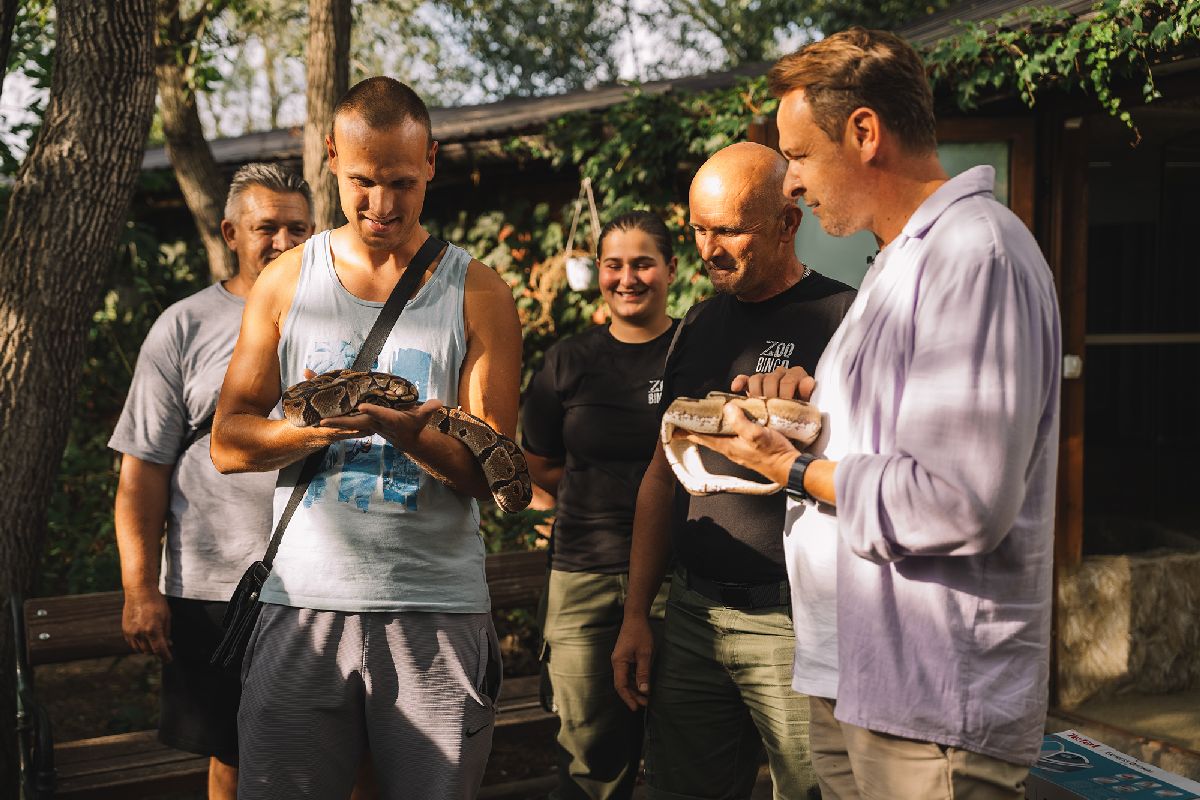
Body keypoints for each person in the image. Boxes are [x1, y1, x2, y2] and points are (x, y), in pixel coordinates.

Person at [686, 28, 1062, 800]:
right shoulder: (898, 261)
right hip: (855, 677)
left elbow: (959, 500)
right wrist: (807, 411)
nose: (791, 183)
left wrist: (789, 466)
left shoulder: (974, 257)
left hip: (931, 701)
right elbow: (889, 441)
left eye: (798, 155)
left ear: (864, 132)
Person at [209, 76, 522, 800]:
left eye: (402, 183)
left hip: (435, 609)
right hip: (301, 603)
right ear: (330, 157)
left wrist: (410, 437)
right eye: (363, 182)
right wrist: (311, 430)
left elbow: (493, 472)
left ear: (431, 162)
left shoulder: (479, 292)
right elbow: (228, 442)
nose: (382, 204)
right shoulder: (286, 281)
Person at [611, 142, 855, 800]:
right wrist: (638, 613)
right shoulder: (697, 322)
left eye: (729, 231)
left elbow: (869, 476)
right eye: (698, 229)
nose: (708, 249)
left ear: (788, 222)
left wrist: (807, 417)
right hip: (694, 614)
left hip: (796, 623)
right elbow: (661, 473)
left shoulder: (847, 320)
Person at [110, 163, 313, 799]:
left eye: (299, 229)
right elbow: (142, 470)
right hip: (215, 586)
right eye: (267, 228)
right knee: (232, 752)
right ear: (230, 233)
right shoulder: (184, 326)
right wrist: (140, 588)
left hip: (325, 581)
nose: (283, 242)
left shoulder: (339, 320)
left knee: (344, 744)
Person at [522, 211, 679, 800]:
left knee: (685, 758)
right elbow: (538, 463)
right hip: (582, 576)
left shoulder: (694, 353)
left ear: (670, 268)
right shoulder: (568, 360)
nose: (627, 278)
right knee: (589, 763)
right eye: (614, 265)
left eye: (643, 263)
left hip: (680, 578)